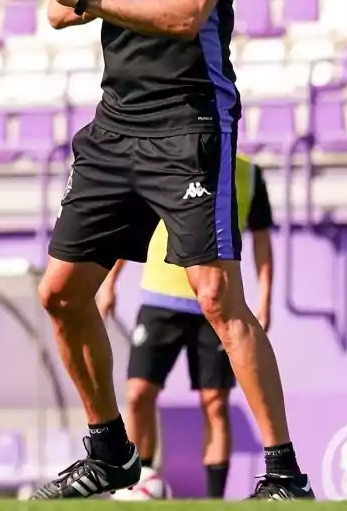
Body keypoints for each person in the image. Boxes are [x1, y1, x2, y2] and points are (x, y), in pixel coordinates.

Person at [21, 0, 313, 500]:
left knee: (217, 297)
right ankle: (110, 450)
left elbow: (186, 16)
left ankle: (283, 473)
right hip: (116, 123)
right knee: (60, 293)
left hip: (189, 122)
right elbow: (64, 11)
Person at [96, 153, 275, 500]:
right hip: (160, 299)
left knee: (215, 402)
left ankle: (213, 502)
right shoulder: (168, 161)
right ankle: (138, 482)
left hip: (216, 304)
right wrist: (110, 282)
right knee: (138, 393)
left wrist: (265, 300)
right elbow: (137, 225)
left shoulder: (250, 176)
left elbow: (263, 243)